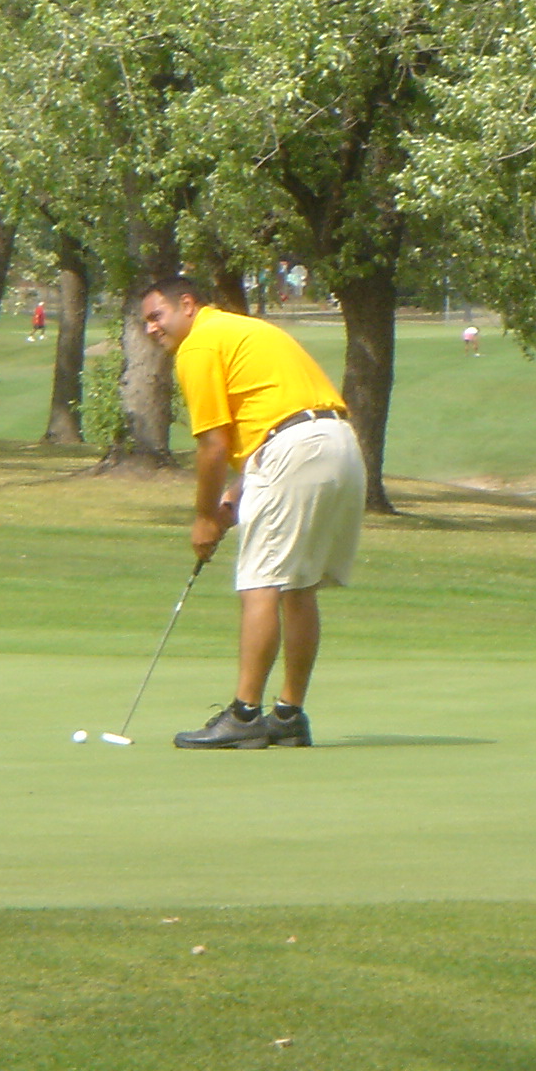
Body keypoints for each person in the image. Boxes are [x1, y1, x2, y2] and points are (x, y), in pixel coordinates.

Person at [137, 277, 366, 749]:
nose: (150, 327)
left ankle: (243, 716)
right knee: (298, 586)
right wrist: (240, 491)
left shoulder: (199, 345)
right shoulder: (243, 330)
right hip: (339, 444)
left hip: (295, 448)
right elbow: (272, 416)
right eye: (145, 320)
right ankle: (288, 715)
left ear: (187, 304)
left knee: (260, 582)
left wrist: (204, 517)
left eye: (156, 315)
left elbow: (214, 446)